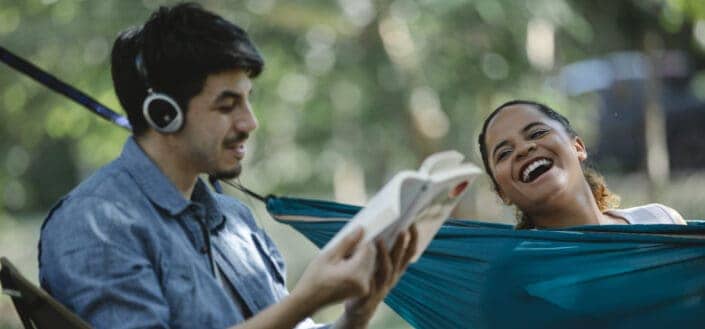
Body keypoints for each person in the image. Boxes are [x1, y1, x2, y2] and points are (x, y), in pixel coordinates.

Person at [39, 3, 417, 329]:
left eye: (247, 101)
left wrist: (356, 314)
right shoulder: (95, 225)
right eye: (226, 105)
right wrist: (306, 299)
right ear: (163, 114)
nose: (250, 122)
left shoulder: (234, 219)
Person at [477, 100, 686, 229]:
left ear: (577, 147)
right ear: (501, 193)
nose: (524, 149)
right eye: (504, 153)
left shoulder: (661, 221)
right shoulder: (515, 274)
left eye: (538, 133)